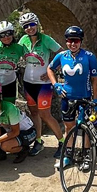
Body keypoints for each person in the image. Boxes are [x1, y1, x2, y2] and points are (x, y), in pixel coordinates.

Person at [46, 25, 97, 168]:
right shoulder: (61, 56)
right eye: (70, 41)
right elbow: (50, 69)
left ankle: (87, 154)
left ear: (81, 41)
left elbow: (95, 79)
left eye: (76, 41)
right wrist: (56, 85)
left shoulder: (89, 57)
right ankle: (68, 155)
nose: (73, 44)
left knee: (86, 126)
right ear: (66, 41)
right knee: (68, 126)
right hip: (67, 96)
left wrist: (95, 99)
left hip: (85, 97)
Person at [17, 12, 63, 156]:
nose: (29, 28)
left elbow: (62, 54)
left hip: (43, 84)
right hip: (28, 82)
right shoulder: (23, 40)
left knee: (45, 114)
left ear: (37, 24)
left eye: (32, 24)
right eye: (26, 26)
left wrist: (53, 70)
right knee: (34, 113)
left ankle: (62, 142)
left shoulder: (46, 39)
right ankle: (38, 141)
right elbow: (12, 50)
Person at [0, 80, 37, 164]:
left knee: (5, 145)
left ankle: (23, 150)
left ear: (0, 97)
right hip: (11, 131)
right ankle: (0, 153)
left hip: (27, 131)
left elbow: (15, 132)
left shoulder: (9, 108)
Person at [0, 21, 25, 103]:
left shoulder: (19, 48)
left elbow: (29, 59)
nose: (6, 37)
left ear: (12, 34)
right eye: (2, 35)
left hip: (9, 81)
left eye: (8, 34)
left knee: (9, 105)